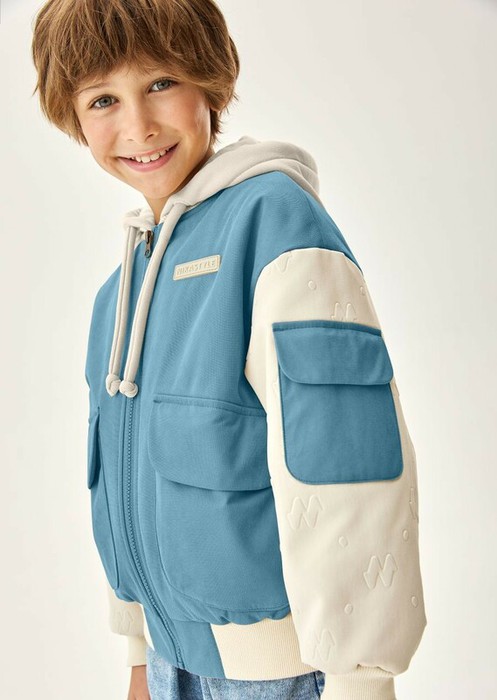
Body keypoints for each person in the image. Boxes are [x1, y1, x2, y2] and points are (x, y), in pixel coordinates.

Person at [30, 1, 427, 698]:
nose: (138, 126)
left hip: (279, 671)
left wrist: (360, 680)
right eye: (102, 100)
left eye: (160, 84)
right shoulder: (118, 293)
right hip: (170, 661)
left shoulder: (274, 225)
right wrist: (138, 652)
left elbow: (345, 462)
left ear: (209, 80)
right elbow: (116, 476)